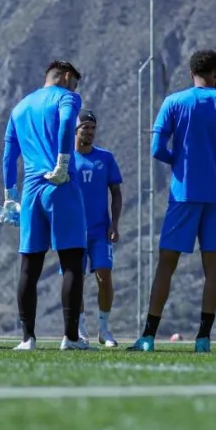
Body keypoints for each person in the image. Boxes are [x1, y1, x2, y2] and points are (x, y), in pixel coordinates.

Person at [129, 49, 216, 353]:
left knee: (165, 266)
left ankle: (147, 336)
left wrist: (181, 164)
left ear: (191, 73)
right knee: (213, 269)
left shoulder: (174, 102)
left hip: (183, 194)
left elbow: (157, 148)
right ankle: (203, 339)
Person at [3, 61, 90, 351]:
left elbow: (8, 154)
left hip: (30, 191)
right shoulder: (66, 97)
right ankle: (71, 338)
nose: (75, 89)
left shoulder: (20, 107)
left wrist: (9, 194)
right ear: (66, 77)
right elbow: (67, 123)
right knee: (73, 262)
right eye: (74, 83)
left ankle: (27, 338)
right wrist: (62, 162)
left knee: (29, 266)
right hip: (60, 184)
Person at [72, 109, 123, 347]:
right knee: (76, 280)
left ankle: (104, 329)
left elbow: (116, 192)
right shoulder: (66, 159)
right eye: (85, 128)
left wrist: (114, 223)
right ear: (75, 131)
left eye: (93, 128)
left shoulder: (105, 158)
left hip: (100, 231)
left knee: (104, 276)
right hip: (72, 231)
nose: (90, 133)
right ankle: (81, 330)